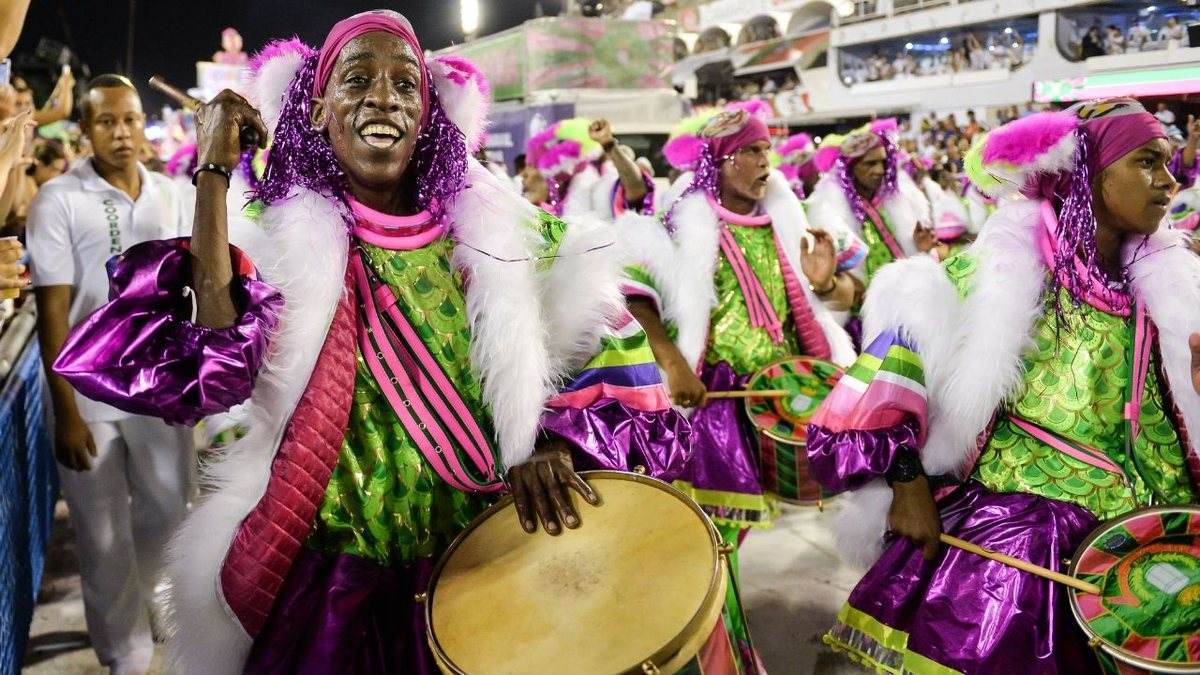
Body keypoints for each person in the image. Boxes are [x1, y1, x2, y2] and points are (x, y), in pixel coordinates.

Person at [51, 12, 692, 673]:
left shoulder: (490, 231)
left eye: (405, 84)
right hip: (339, 581)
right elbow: (213, 348)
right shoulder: (278, 236)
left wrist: (549, 440)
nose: (384, 96)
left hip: (484, 558)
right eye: (357, 79)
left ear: (426, 114)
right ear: (320, 110)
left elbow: (607, 328)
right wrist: (215, 168)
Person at [808, 99, 1200, 673]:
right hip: (1026, 535)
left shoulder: (1171, 288)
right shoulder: (992, 277)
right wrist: (908, 486)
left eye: (1167, 163)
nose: (1168, 181)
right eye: (1146, 162)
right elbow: (880, 386)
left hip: (1156, 525)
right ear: (1086, 175)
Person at [623, 106, 857, 671]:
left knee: (735, 539)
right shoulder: (686, 224)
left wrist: (828, 285)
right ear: (719, 164)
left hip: (778, 395)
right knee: (710, 538)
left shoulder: (786, 221)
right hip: (715, 402)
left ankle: (723, 646)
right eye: (751, 153)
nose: (765, 163)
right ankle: (710, 652)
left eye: (765, 152)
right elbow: (632, 290)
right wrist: (673, 359)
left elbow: (843, 300)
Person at [25, 74, 196, 675]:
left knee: (168, 514)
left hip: (156, 386)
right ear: (85, 130)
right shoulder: (57, 200)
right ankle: (124, 651)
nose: (121, 133)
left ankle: (160, 611)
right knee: (101, 537)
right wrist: (66, 411)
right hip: (87, 391)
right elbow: (52, 309)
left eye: (129, 119)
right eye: (106, 122)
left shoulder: (172, 194)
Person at [588, 117, 656, 219]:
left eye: (624, 157)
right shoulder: (590, 180)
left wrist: (609, 144)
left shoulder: (624, 181)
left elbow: (635, 185)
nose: (615, 159)